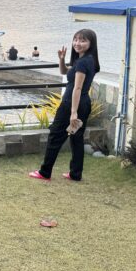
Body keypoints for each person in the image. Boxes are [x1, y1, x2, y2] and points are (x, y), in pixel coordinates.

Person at [30, 29, 100, 182]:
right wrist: (61, 59)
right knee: (76, 138)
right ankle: (75, 174)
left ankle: (45, 172)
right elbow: (65, 72)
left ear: (91, 43)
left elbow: (77, 88)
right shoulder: (87, 60)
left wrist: (73, 112)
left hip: (71, 104)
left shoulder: (82, 62)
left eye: (83, 40)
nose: (77, 43)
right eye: (76, 39)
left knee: (55, 135)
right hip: (84, 103)